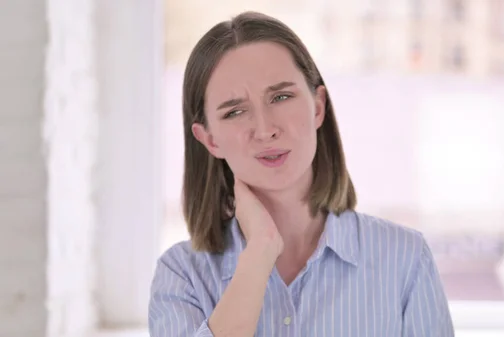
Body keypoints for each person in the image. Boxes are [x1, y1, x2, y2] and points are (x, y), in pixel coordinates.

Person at [149, 11, 454, 337]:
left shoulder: (405, 258)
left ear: (318, 106)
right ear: (209, 139)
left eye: (281, 97)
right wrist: (259, 254)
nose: (265, 130)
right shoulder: (181, 276)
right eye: (235, 111)